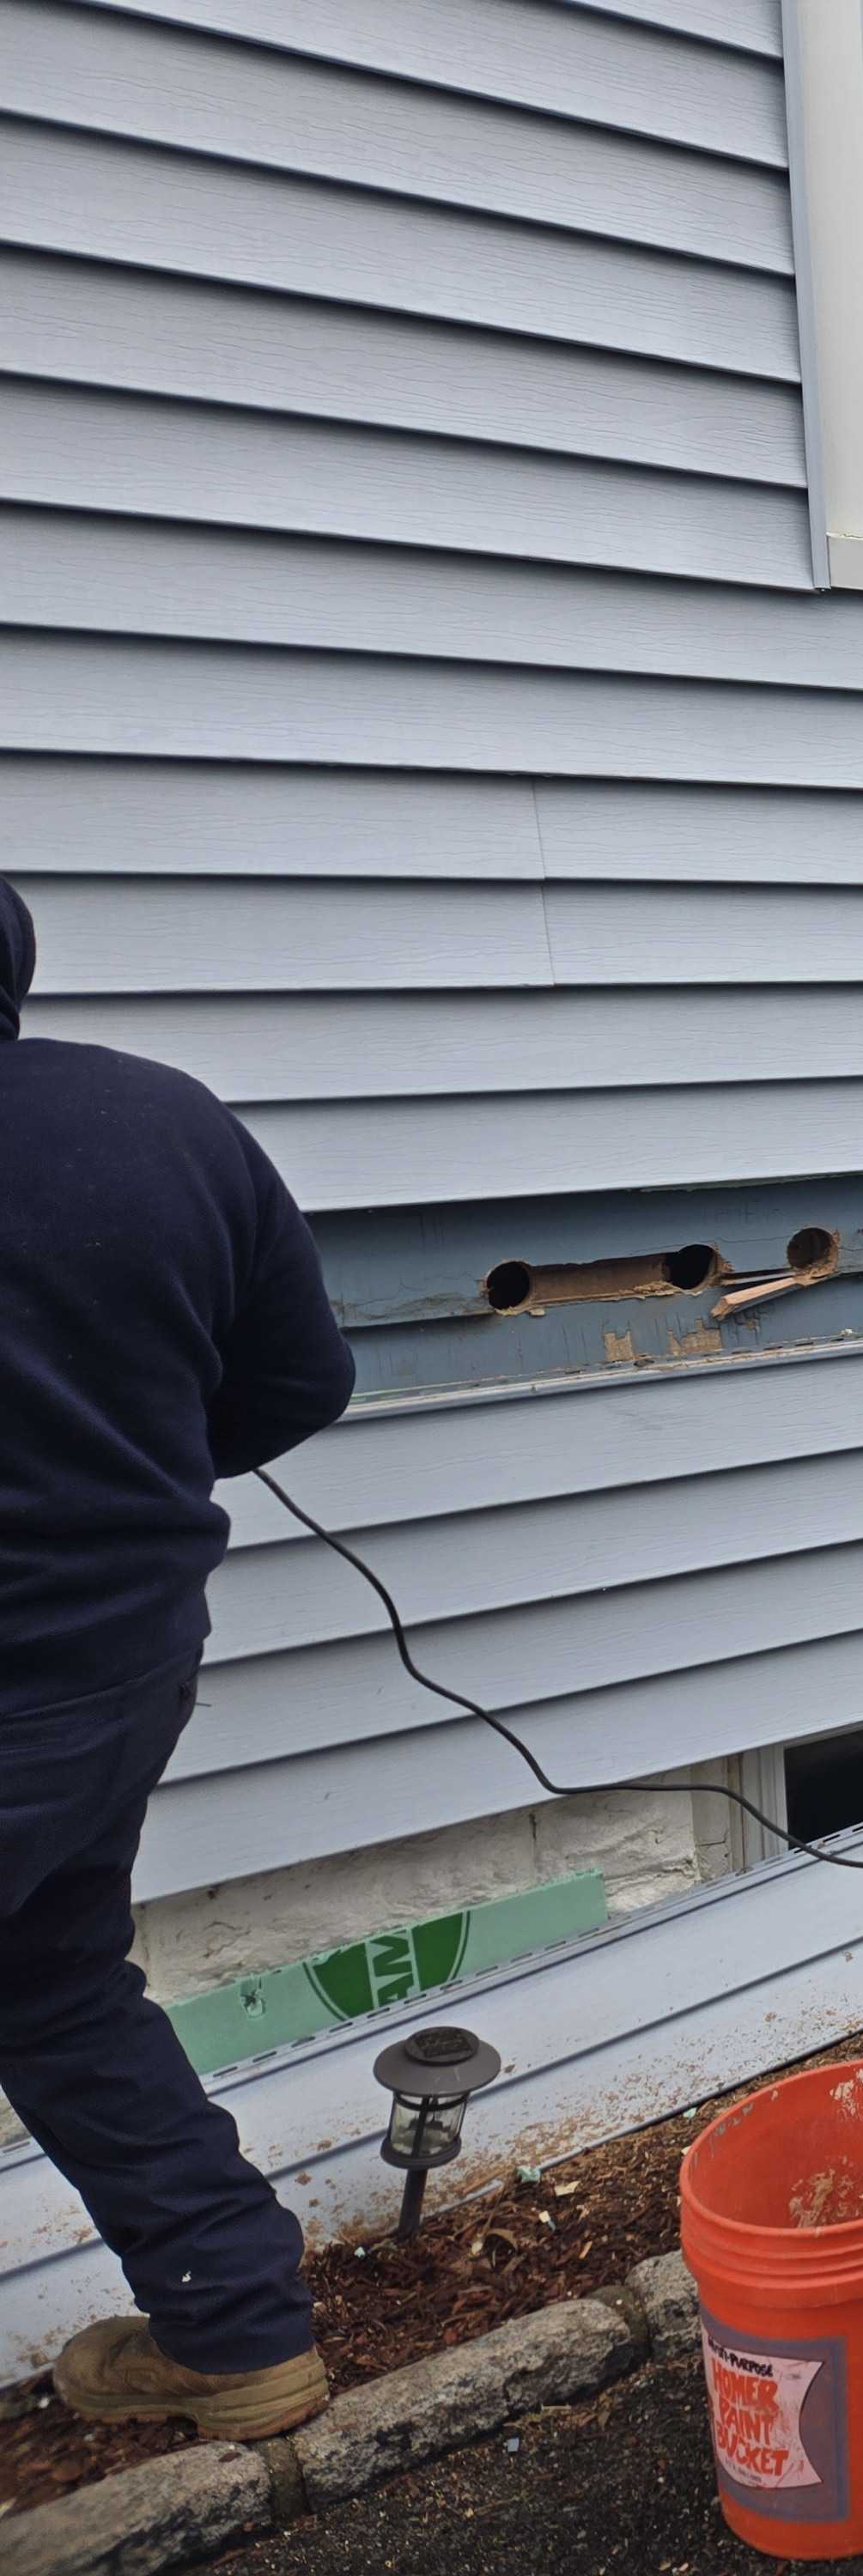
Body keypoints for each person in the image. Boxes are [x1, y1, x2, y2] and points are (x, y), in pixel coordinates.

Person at [1, 878, 357, 2438]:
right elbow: (302, 1375)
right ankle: (233, 2325)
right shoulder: (163, 1119)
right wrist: (132, 1485)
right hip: (123, 1657)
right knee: (53, 1981)